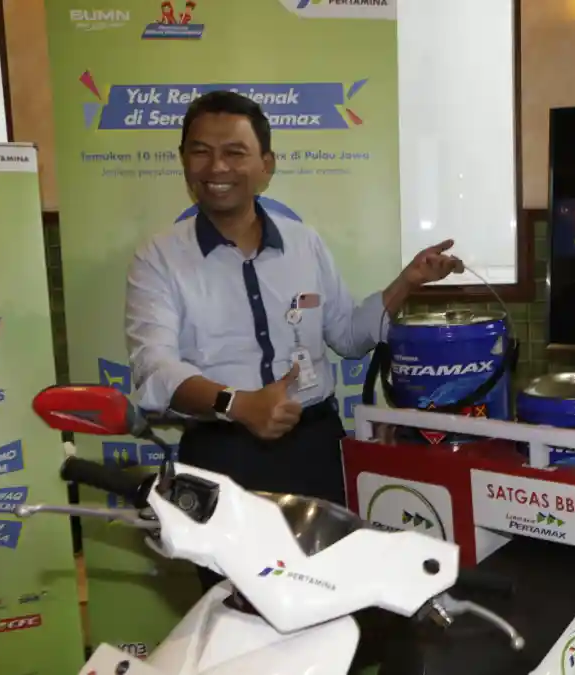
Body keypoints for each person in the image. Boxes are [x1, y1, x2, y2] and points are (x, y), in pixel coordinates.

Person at [125, 90, 463, 590]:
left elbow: (347, 336)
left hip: (315, 451)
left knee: (331, 593)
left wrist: (406, 282)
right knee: (233, 603)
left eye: (235, 152)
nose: (217, 166)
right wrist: (238, 404)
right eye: (200, 151)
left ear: (266, 165)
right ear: (183, 161)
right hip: (220, 458)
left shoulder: (305, 243)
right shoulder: (159, 258)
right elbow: (154, 369)